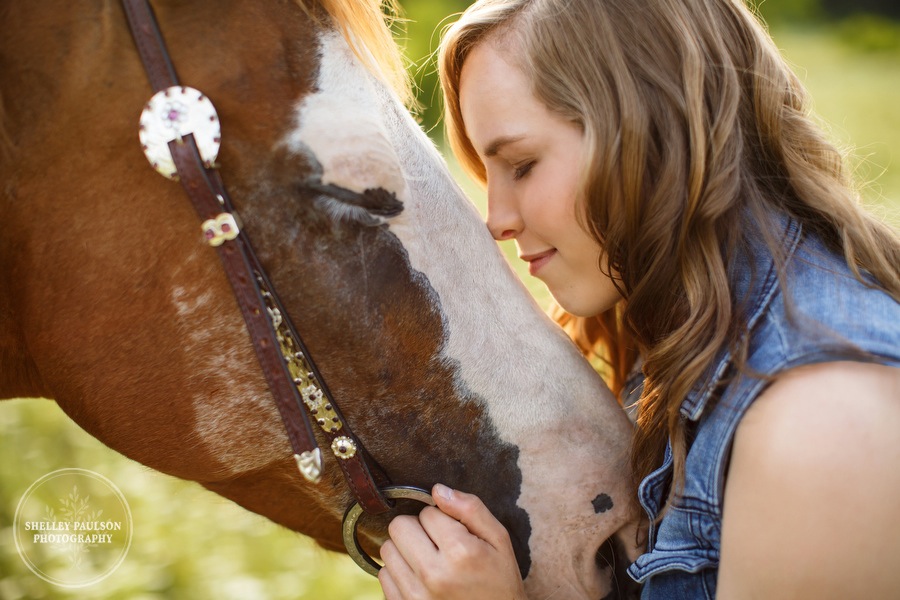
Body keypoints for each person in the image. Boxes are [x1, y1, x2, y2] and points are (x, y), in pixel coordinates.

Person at [378, 0, 900, 597]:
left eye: (521, 165)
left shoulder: (826, 422)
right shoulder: (676, 337)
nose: (495, 220)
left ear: (650, 132)